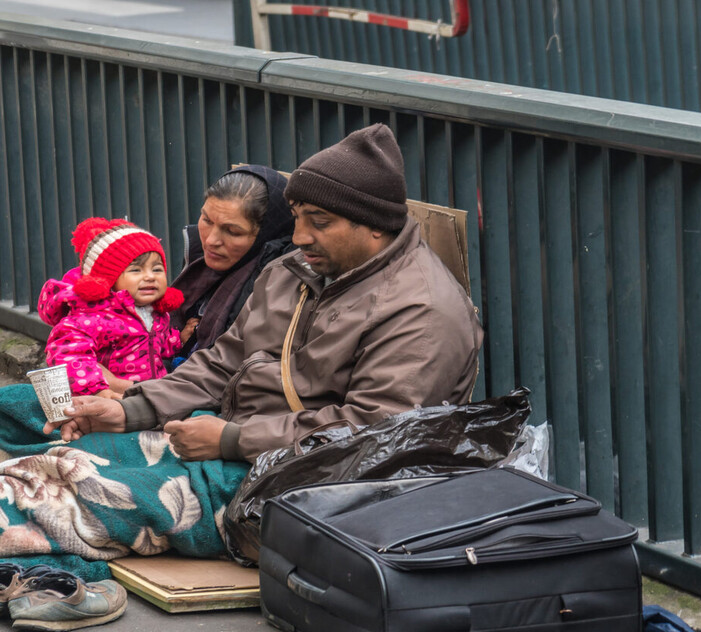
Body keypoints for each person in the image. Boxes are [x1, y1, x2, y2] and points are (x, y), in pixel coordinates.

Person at [45, 124, 484, 462]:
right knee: (37, 425)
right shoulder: (291, 271)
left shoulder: (423, 310)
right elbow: (222, 362)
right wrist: (132, 412)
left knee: (57, 494)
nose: (300, 236)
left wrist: (233, 441)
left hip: (310, 481)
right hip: (236, 435)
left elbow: (378, 430)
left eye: (319, 221)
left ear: (373, 225)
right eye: (296, 217)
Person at [37, 217, 198, 398]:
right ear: (108, 280)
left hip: (148, 394)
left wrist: (179, 340)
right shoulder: (94, 317)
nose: (150, 277)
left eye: (157, 269)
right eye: (136, 270)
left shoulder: (155, 313)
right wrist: (97, 390)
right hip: (109, 397)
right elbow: (69, 354)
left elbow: (156, 345)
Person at [170, 165, 295, 361]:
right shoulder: (197, 266)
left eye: (233, 232)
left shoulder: (275, 292)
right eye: (206, 220)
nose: (211, 240)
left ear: (266, 235)